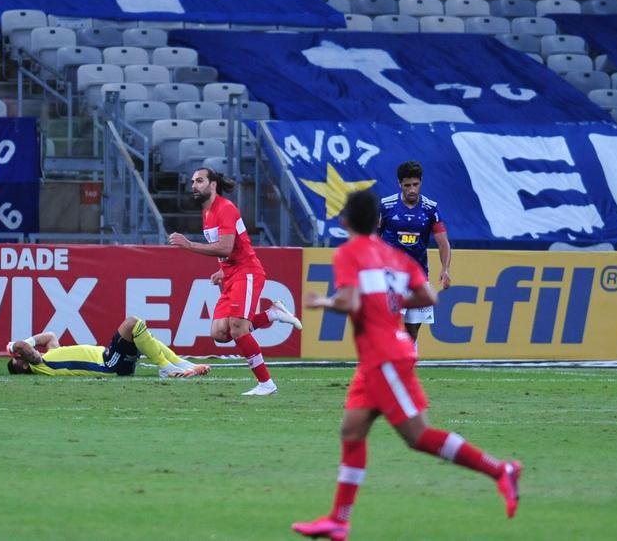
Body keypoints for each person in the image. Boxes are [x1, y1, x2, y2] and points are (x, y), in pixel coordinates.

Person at [291, 189, 521, 541]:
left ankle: (500, 470)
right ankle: (339, 519)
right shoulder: (395, 258)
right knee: (351, 431)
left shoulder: (349, 253)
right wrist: (391, 300)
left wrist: (323, 301)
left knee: (418, 436)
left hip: (385, 357)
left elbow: (349, 300)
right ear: (378, 222)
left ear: (345, 221)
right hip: (377, 358)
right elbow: (428, 296)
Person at [167, 167, 302, 397]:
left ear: (212, 185)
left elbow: (226, 247)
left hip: (247, 272)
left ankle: (266, 384)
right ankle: (271, 314)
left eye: (199, 181)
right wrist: (222, 270)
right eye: (192, 182)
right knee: (220, 333)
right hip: (231, 274)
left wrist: (189, 245)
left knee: (238, 329)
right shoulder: (207, 212)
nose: (194, 186)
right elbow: (227, 250)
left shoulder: (225, 208)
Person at [378, 160, 451, 350]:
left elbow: (443, 242)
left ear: (421, 183)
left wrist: (445, 269)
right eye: (407, 185)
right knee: (390, 325)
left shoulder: (430, 209)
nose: (412, 189)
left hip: (417, 276)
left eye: (415, 184)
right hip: (391, 277)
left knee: (412, 331)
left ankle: (406, 367)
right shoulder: (385, 206)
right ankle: (387, 368)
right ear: (399, 184)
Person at [6, 315, 210, 378]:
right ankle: (167, 369)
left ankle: (181, 365)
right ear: (24, 365)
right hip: (108, 365)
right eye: (17, 357)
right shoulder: (39, 364)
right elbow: (24, 347)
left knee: (143, 337)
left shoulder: (50, 355)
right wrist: (13, 345)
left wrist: (30, 342)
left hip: (111, 360)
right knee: (132, 324)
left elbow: (49, 336)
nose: (19, 353)